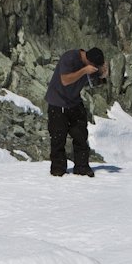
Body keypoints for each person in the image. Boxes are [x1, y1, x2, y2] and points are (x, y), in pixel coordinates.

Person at [45, 46, 108, 177]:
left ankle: (82, 167)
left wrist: (103, 74)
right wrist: (84, 70)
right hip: (58, 102)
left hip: (74, 102)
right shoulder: (70, 58)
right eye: (94, 66)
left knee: (80, 135)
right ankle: (58, 169)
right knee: (58, 137)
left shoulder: (90, 66)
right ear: (89, 61)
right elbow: (65, 80)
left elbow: (97, 82)